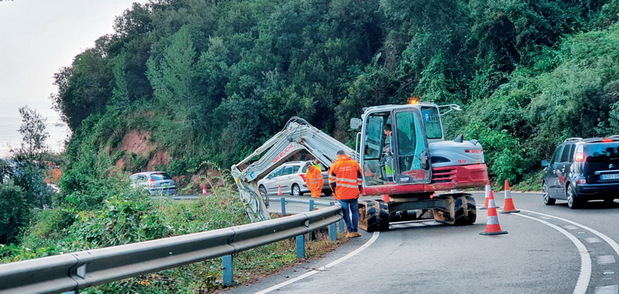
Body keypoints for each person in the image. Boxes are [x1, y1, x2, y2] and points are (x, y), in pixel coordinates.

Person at [328, 150, 363, 238]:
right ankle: (355, 231)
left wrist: (335, 192)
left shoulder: (334, 165)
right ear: (345, 155)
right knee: (355, 211)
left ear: (338, 156)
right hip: (354, 193)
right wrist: (359, 189)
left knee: (346, 212)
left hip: (341, 194)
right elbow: (360, 178)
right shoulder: (354, 163)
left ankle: (350, 231)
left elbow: (331, 182)